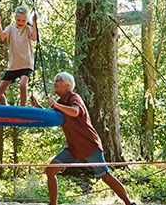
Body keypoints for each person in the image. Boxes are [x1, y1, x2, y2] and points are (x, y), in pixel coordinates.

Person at [44, 72, 136, 205]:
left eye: (58, 80)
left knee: (105, 176)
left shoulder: (74, 97)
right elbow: (50, 116)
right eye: (55, 80)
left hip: (89, 145)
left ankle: (129, 203)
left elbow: (75, 112)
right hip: (74, 148)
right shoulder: (60, 102)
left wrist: (56, 105)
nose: (55, 82)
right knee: (50, 170)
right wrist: (37, 106)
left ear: (67, 85)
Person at [0, 6, 38, 107]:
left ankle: (22, 109)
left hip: (26, 64)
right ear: (15, 18)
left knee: (22, 85)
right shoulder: (10, 29)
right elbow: (2, 37)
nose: (21, 22)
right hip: (13, 66)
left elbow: (34, 38)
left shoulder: (28, 29)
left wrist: (34, 22)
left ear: (27, 20)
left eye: (23, 20)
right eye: (18, 20)